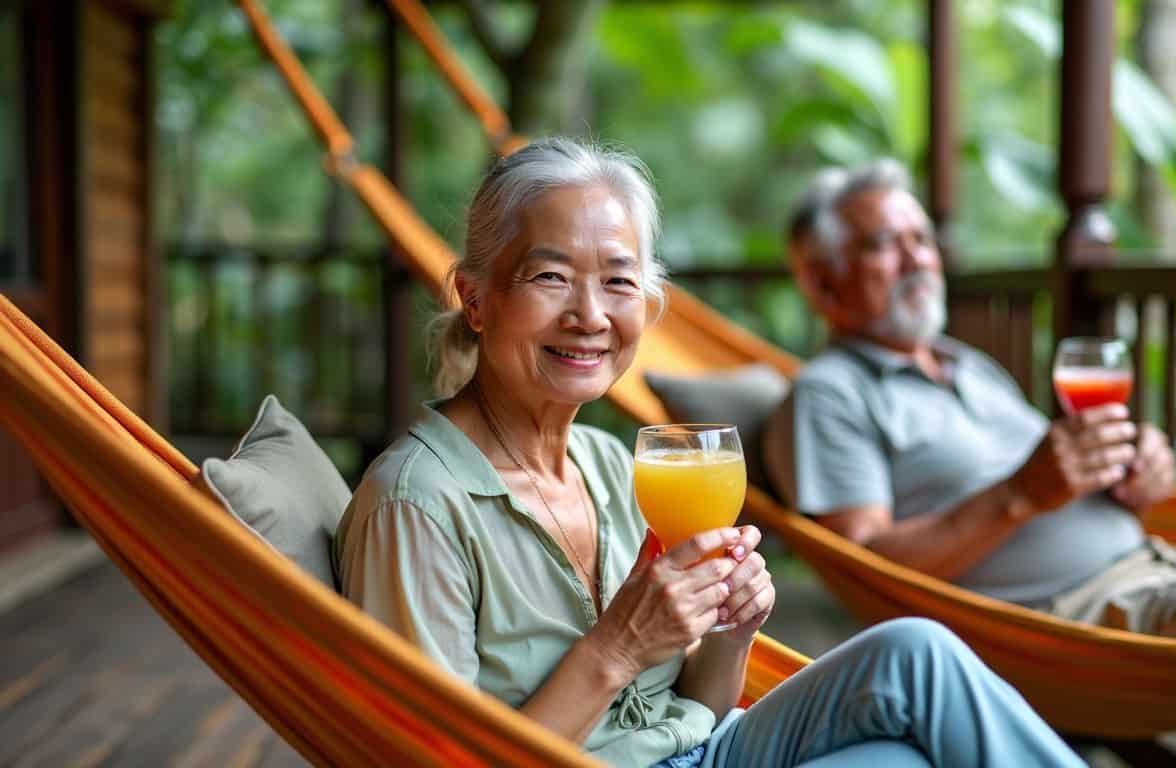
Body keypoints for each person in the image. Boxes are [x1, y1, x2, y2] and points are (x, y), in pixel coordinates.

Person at [336, 138, 1084, 768]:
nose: (591, 315)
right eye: (551, 276)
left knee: (913, 667)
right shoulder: (417, 502)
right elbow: (436, 759)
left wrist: (728, 636)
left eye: (619, 281)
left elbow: (689, 708)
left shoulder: (605, 460)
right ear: (475, 297)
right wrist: (618, 648)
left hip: (702, 751)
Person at [764, 159, 1176, 644]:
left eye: (922, 238)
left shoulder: (966, 363)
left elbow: (1056, 488)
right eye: (885, 244)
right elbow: (865, 567)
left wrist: (1131, 477)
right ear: (822, 283)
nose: (918, 258)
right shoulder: (831, 393)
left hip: (1169, 560)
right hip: (1086, 619)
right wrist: (1019, 494)